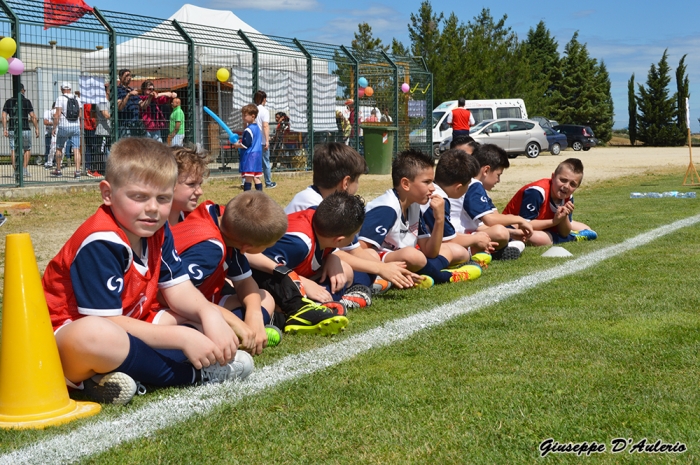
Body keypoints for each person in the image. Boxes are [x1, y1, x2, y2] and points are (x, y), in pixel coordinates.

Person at [42, 137, 249, 406]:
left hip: (128, 324)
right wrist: (184, 337)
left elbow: (179, 289)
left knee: (195, 320)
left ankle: (103, 379)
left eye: (163, 198)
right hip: (67, 338)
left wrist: (208, 315)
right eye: (139, 197)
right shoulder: (101, 240)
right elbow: (107, 323)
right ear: (107, 193)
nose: (152, 208)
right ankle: (188, 375)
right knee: (96, 335)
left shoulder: (156, 229)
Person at [167, 146, 286, 354]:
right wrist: (233, 320)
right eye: (191, 184)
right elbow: (174, 296)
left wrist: (254, 315)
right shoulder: (208, 246)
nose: (200, 191)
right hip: (171, 308)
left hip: (201, 302)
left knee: (262, 298)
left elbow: (245, 281)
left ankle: (251, 330)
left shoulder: (213, 215)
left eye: (200, 183)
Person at [284, 142, 417, 294]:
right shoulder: (310, 204)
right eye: (357, 180)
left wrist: (387, 269)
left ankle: (359, 287)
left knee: (370, 255)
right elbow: (335, 251)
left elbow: (354, 250)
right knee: (345, 268)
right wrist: (380, 268)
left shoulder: (337, 205)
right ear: (346, 182)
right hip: (294, 271)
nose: (358, 186)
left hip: (316, 264)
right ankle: (348, 291)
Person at [358, 149, 480, 289]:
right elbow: (360, 250)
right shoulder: (387, 208)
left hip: (403, 258)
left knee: (458, 251)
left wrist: (439, 219)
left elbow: (430, 251)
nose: (433, 188)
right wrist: (382, 267)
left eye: (432, 182)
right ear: (405, 184)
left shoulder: (414, 204)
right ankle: (444, 276)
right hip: (377, 261)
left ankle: (412, 275)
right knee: (412, 255)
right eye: (427, 182)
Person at [248, 191, 364, 329]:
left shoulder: (322, 221)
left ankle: (321, 303)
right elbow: (250, 257)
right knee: (272, 293)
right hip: (254, 282)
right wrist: (300, 281)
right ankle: (297, 311)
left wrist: (332, 257)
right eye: (354, 234)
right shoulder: (299, 243)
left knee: (345, 272)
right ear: (339, 240)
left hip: (293, 277)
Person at [422, 148, 497, 261]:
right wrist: (475, 239)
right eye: (467, 185)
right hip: (418, 248)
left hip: (421, 244)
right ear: (458, 187)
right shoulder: (439, 199)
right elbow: (447, 239)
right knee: (460, 253)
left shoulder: (436, 192)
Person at [457, 144, 531, 259]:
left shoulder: (477, 186)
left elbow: (487, 221)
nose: (498, 180)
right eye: (498, 175)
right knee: (500, 232)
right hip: (460, 238)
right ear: (486, 170)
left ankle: (501, 247)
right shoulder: (473, 185)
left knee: (507, 230)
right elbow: (490, 220)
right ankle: (489, 252)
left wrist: (512, 232)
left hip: (467, 235)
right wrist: (520, 219)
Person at [503, 158, 598, 246]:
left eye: (573, 184)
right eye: (563, 180)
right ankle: (573, 238)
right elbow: (524, 225)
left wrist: (563, 218)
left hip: (545, 224)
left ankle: (564, 235)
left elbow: (564, 232)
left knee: (589, 230)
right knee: (539, 238)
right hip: (514, 227)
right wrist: (553, 222)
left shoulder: (568, 196)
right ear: (553, 177)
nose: (566, 186)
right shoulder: (536, 192)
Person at [2, 83, 39, 178]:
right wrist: (37, 128)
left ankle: (17, 171)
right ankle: (24, 169)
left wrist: (5, 128)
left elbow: (4, 115)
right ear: (22, 90)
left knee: (14, 149)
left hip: (12, 129)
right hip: (25, 128)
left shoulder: (8, 102)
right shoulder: (26, 101)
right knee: (27, 149)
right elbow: (32, 116)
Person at [51, 82, 82, 178]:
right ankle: (77, 172)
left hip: (64, 126)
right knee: (76, 149)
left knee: (59, 148)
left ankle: (59, 170)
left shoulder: (60, 98)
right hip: (75, 126)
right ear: (70, 89)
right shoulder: (77, 98)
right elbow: (80, 114)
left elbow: (57, 115)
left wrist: (54, 127)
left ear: (61, 89)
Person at [233, 104, 263, 191]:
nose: (243, 117)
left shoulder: (248, 129)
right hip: (257, 155)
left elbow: (245, 144)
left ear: (253, 116)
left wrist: (237, 145)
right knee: (256, 177)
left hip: (250, 156)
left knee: (248, 178)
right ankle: (260, 197)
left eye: (245, 115)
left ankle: (246, 198)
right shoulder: (257, 128)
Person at [253, 90, 276, 189]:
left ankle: (246, 180)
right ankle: (268, 182)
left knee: (252, 161)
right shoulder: (264, 111)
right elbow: (265, 126)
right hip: (262, 140)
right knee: (265, 161)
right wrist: (267, 140)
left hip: (253, 140)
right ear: (264, 99)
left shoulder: (252, 110)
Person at [116, 69, 142, 138]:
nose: (129, 77)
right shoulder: (117, 90)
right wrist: (128, 95)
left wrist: (149, 98)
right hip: (125, 126)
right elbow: (119, 107)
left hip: (136, 125)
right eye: (127, 75)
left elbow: (142, 105)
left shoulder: (132, 90)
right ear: (120, 77)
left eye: (130, 75)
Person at [93, 83, 112, 176]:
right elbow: (106, 115)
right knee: (100, 151)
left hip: (109, 132)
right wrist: (117, 115)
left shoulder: (109, 102)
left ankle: (107, 170)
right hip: (102, 132)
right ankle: (97, 170)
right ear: (107, 91)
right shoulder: (102, 101)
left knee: (109, 152)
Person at [83, 96, 98, 177]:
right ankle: (92, 168)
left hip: (86, 127)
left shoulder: (85, 103)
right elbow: (92, 117)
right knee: (94, 148)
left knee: (88, 148)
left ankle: (87, 166)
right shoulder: (90, 104)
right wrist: (96, 123)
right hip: (91, 127)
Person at [43, 102, 56, 169]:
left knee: (55, 148)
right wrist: (54, 123)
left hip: (56, 133)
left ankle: (54, 162)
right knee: (48, 147)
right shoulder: (47, 112)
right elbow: (45, 122)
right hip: (49, 132)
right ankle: (46, 162)